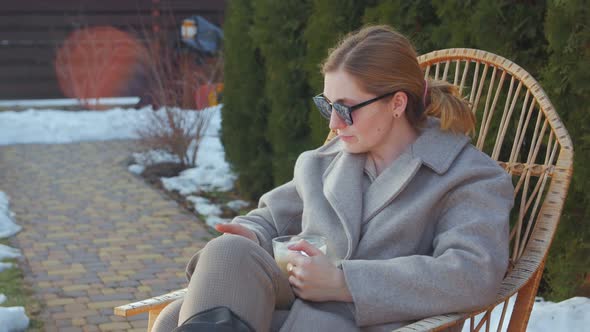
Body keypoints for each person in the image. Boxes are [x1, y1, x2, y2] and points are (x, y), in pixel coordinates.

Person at [152, 25, 514, 332]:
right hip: (297, 304)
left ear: (397, 103)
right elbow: (272, 218)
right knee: (227, 251)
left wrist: (344, 283)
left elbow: (471, 273)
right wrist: (254, 233)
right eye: (327, 106)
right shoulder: (324, 163)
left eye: (344, 108)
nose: (333, 124)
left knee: (172, 322)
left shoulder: (468, 177)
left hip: (367, 321)